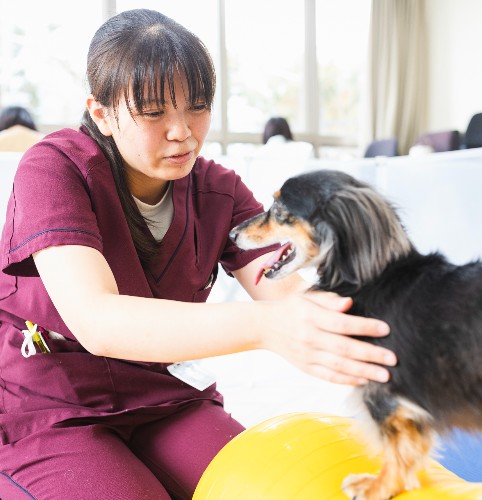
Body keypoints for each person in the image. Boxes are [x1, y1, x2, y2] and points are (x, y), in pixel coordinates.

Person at [0, 9, 396, 500]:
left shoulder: (217, 192)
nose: (182, 132)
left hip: (161, 397)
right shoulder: (55, 169)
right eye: (153, 112)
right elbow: (97, 320)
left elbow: (284, 289)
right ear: (101, 114)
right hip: (50, 404)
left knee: (267, 488)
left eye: (197, 106)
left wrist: (378, 320)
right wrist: (268, 329)